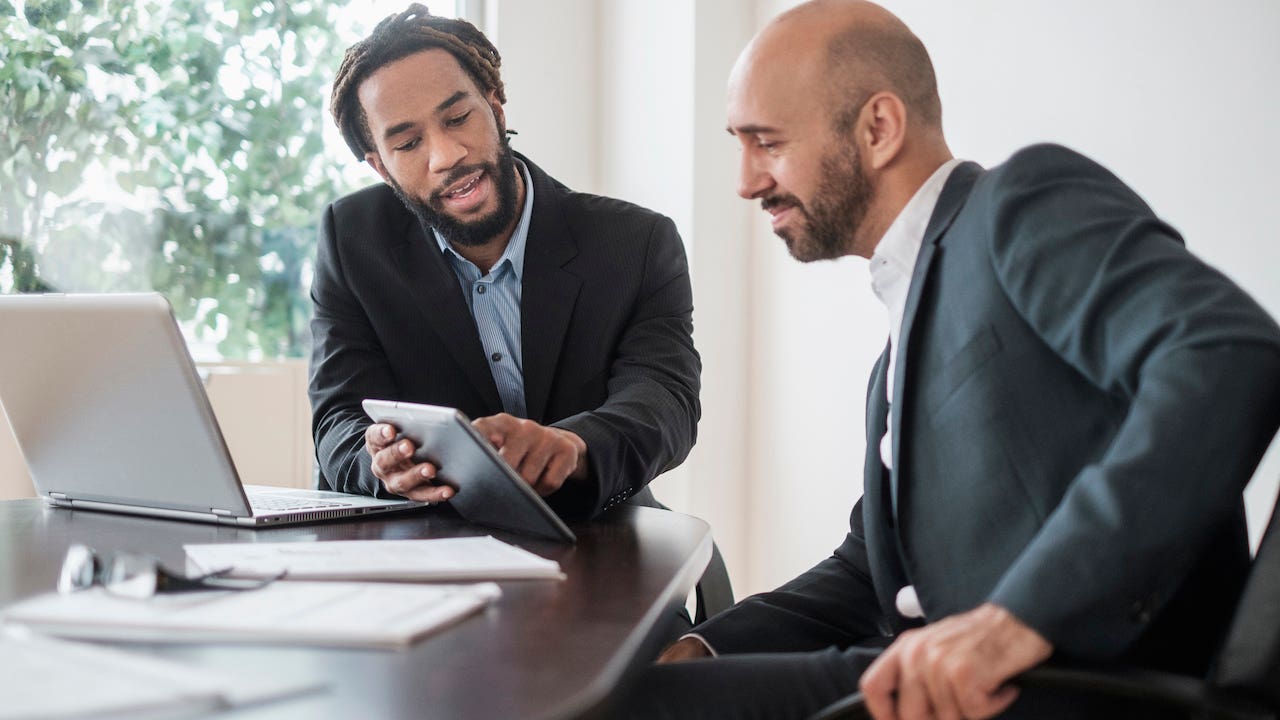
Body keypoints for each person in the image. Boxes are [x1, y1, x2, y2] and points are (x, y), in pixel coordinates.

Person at [612, 1, 1280, 718]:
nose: (746, 181)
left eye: (766, 142)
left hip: (1065, 687)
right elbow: (870, 568)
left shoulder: (1017, 206)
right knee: (635, 690)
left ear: (878, 128)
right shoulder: (899, 342)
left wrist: (1019, 618)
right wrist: (708, 647)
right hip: (918, 671)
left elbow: (1225, 351)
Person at [310, 6, 704, 535]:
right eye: (408, 143)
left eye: (457, 118)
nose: (447, 155)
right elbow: (337, 419)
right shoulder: (351, 239)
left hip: (593, 541)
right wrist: (381, 465)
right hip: (421, 546)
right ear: (380, 165)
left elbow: (664, 402)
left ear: (494, 107)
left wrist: (573, 445)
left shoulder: (635, 244)